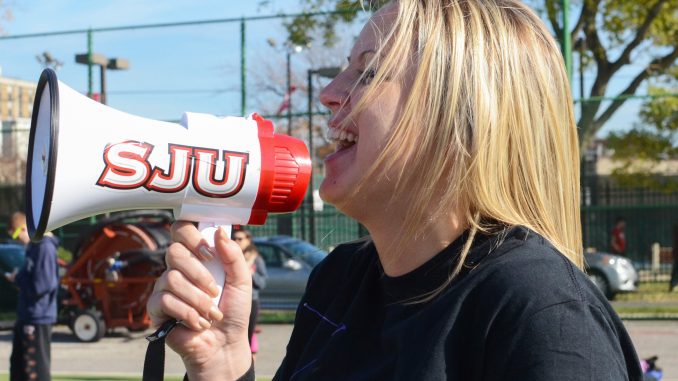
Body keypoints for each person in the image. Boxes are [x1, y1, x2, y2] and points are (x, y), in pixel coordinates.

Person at [148, 1, 643, 380]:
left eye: (368, 70)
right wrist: (224, 359)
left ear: (459, 115)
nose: (329, 92)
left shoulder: (541, 314)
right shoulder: (338, 279)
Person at [4, 212, 59, 381]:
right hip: (27, 314)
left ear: (24, 228)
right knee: (19, 367)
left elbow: (43, 284)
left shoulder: (44, 247)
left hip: (38, 316)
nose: (17, 239)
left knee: (35, 369)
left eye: (16, 234)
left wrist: (19, 280)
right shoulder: (33, 248)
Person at [232, 228, 267, 359]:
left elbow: (262, 282)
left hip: (250, 301)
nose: (236, 241)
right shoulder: (230, 256)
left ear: (248, 240)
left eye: (240, 239)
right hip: (233, 301)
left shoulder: (255, 259)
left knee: (247, 339)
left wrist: (251, 274)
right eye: (234, 239)